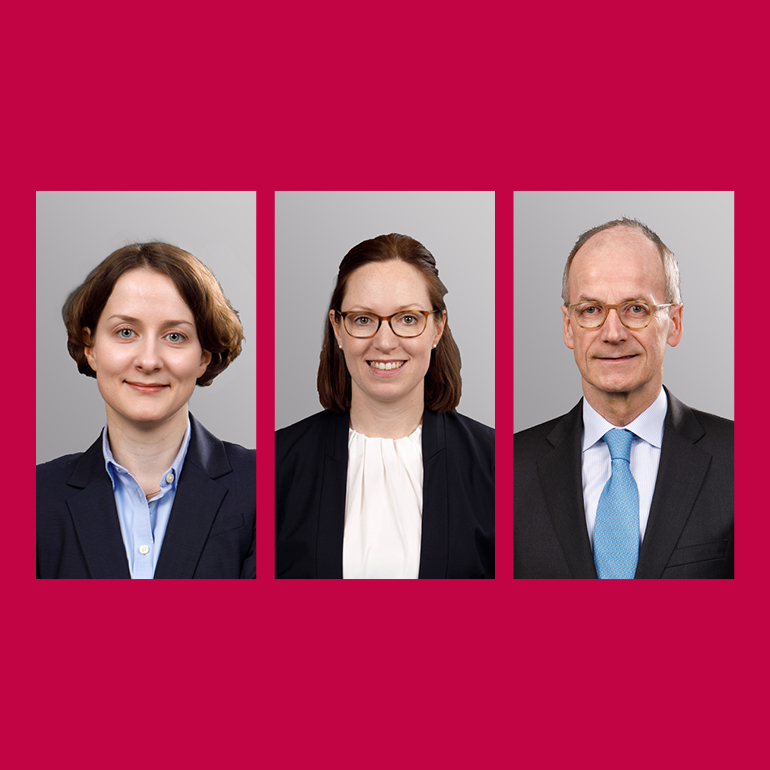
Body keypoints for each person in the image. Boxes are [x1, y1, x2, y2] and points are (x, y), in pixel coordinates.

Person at [514, 218, 733, 579]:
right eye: (591, 310)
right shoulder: (507, 469)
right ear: (568, 327)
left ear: (674, 322)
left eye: (635, 309)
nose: (612, 333)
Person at [276, 233, 494, 578]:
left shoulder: (498, 464)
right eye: (363, 319)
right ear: (338, 329)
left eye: (408, 318)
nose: (385, 342)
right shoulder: (276, 463)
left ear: (437, 328)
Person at [36, 242, 256, 579]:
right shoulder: (32, 498)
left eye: (175, 336)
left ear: (204, 356)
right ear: (90, 347)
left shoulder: (267, 485)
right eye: (126, 332)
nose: (149, 361)